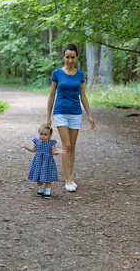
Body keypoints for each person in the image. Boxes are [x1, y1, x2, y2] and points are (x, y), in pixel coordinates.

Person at [47, 43, 96, 192]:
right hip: (60, 112)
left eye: (72, 57)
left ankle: (70, 176)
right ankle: (68, 180)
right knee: (66, 145)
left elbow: (83, 96)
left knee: (72, 146)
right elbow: (51, 95)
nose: (70, 60)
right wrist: (48, 117)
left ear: (76, 57)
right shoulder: (57, 73)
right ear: (64, 57)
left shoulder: (80, 74)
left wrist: (90, 115)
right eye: (67, 57)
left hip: (75, 113)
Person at [18, 123, 66, 199]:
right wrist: (25, 146)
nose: (42, 136)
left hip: (47, 163)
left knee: (48, 177)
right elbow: (33, 150)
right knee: (38, 176)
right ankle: (40, 190)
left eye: (45, 134)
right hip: (38, 162)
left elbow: (53, 151)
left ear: (50, 135)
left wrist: (59, 152)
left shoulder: (51, 143)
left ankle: (48, 192)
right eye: (41, 134)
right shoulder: (36, 141)